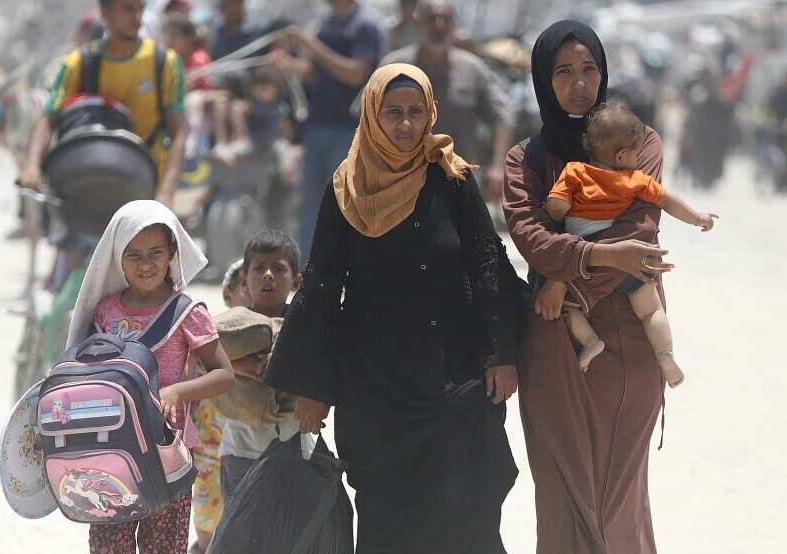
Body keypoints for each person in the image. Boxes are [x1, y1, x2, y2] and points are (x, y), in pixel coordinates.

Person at [264, 64, 524, 554]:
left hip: (451, 373)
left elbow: (486, 263)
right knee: (383, 505)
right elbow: (323, 284)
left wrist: (501, 352)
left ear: (430, 114)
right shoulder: (345, 187)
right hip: (372, 378)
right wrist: (311, 388)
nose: (405, 125)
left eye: (415, 113)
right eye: (393, 113)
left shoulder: (454, 181)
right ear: (373, 115)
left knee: (452, 496)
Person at [501, 20, 675, 554]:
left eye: (589, 70)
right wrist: (578, 267)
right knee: (563, 488)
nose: (579, 85)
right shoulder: (525, 159)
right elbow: (529, 236)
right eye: (564, 72)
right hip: (552, 343)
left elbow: (642, 229)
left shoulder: (641, 143)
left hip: (628, 340)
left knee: (619, 490)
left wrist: (566, 276)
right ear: (544, 79)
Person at [66, 200, 235, 554]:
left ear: (172, 254)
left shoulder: (188, 313)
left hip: (166, 462)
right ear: (117, 258)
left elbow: (223, 373)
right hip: (107, 464)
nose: (145, 264)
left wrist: (178, 391)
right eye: (134, 254)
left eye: (155, 253)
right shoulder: (104, 311)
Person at [545, 102, 716, 382]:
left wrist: (563, 209)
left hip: (590, 258)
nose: (639, 158)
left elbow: (556, 208)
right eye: (637, 153)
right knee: (651, 310)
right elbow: (669, 202)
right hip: (630, 257)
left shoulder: (575, 172)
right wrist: (698, 218)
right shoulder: (636, 179)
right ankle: (665, 355)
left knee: (568, 307)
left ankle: (591, 342)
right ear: (623, 155)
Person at [206, 230, 315, 554]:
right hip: (241, 448)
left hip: (295, 445)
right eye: (259, 269)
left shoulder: (306, 326)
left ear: (296, 279)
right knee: (238, 531)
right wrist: (251, 367)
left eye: (279, 269)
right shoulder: (232, 328)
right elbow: (207, 361)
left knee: (293, 528)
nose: (268, 276)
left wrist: (281, 364)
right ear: (245, 278)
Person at [19, 0, 188, 208]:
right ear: (105, 13)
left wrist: (166, 192)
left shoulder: (165, 62)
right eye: (127, 9)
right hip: (88, 189)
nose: (137, 17)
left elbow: (179, 132)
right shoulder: (79, 62)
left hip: (147, 189)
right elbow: (48, 118)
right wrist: (32, 165)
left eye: (140, 9)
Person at [273, 0, 383, 263]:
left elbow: (356, 74)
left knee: (347, 201)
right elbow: (313, 73)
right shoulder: (325, 22)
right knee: (312, 201)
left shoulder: (364, 25)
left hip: (349, 128)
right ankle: (308, 266)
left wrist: (313, 47)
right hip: (317, 125)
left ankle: (349, 265)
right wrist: (287, 64)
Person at [381, 1, 513, 200]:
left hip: (458, 180)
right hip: (402, 180)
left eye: (446, 19)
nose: (439, 25)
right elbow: (365, 115)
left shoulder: (473, 69)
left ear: (455, 26)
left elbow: (501, 118)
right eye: (432, 18)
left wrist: (497, 167)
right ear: (418, 24)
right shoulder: (393, 68)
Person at [185, 258, 250, 554]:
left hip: (252, 446)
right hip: (209, 448)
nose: (251, 293)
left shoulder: (276, 333)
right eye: (244, 287)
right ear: (227, 294)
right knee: (209, 517)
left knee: (247, 513)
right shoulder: (210, 334)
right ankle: (203, 551)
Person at [163, 14, 211, 91]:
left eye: (174, 35)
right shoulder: (169, 58)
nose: (169, 40)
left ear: (188, 38)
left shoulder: (199, 58)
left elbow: (196, 82)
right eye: (168, 35)